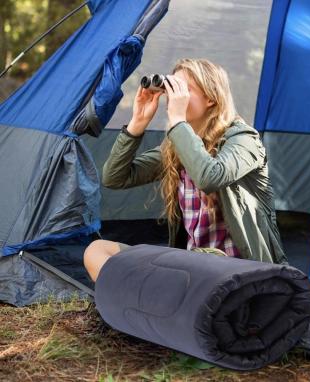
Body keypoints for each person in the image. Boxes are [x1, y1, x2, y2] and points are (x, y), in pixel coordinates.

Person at [83, 58, 287, 282]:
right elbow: (114, 178)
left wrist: (178, 121)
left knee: (186, 274)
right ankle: (153, 297)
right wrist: (137, 123)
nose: (173, 97)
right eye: (170, 88)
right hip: (192, 266)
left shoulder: (244, 140)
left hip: (238, 274)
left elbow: (209, 177)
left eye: (182, 90)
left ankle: (150, 298)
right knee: (98, 251)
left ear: (210, 98)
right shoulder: (176, 148)